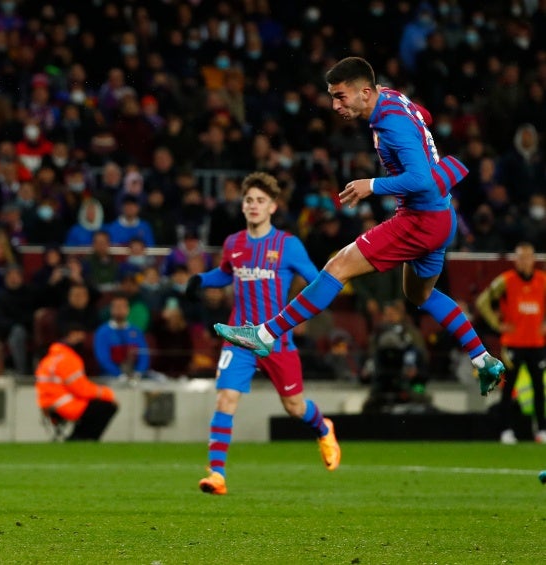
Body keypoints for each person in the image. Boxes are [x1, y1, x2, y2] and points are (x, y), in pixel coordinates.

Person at [213, 57, 505, 397]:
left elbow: (422, 180)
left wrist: (373, 185)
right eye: (332, 97)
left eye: (341, 97)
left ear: (366, 92)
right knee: (418, 294)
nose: (335, 105)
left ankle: (265, 335)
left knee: (338, 267)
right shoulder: (392, 98)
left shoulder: (391, 124)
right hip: (441, 217)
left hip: (419, 220)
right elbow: (423, 115)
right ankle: (483, 359)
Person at [185, 171, 340, 495]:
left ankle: (323, 426)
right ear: (243, 206)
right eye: (249, 200)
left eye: (260, 201)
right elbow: (225, 273)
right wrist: (201, 280)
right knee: (225, 398)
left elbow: (319, 281)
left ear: (272, 207)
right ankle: (216, 474)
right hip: (239, 338)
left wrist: (304, 312)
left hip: (276, 339)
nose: (254, 205)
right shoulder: (233, 244)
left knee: (294, 407)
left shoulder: (289, 245)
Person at [475, 242, 546, 444]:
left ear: (533, 260)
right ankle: (506, 430)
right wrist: (497, 325)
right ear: (516, 260)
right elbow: (482, 301)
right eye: (521, 257)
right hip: (513, 343)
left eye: (528, 257)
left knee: (539, 389)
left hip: (537, 343)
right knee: (509, 388)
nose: (525, 261)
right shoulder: (506, 281)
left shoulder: (542, 280)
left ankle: (541, 429)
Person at [35, 323, 118, 441]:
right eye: (76, 336)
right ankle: (81, 439)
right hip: (64, 405)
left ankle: (78, 437)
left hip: (49, 405)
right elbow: (81, 389)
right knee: (107, 406)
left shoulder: (50, 358)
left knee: (96, 406)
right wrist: (107, 393)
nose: (80, 340)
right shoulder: (69, 359)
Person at [93, 293, 150, 379]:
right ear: (111, 309)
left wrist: (139, 372)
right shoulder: (102, 332)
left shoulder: (136, 331)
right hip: (110, 376)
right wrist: (119, 375)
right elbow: (103, 359)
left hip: (135, 376)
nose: (119, 310)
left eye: (123, 307)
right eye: (116, 307)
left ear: (128, 309)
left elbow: (144, 354)